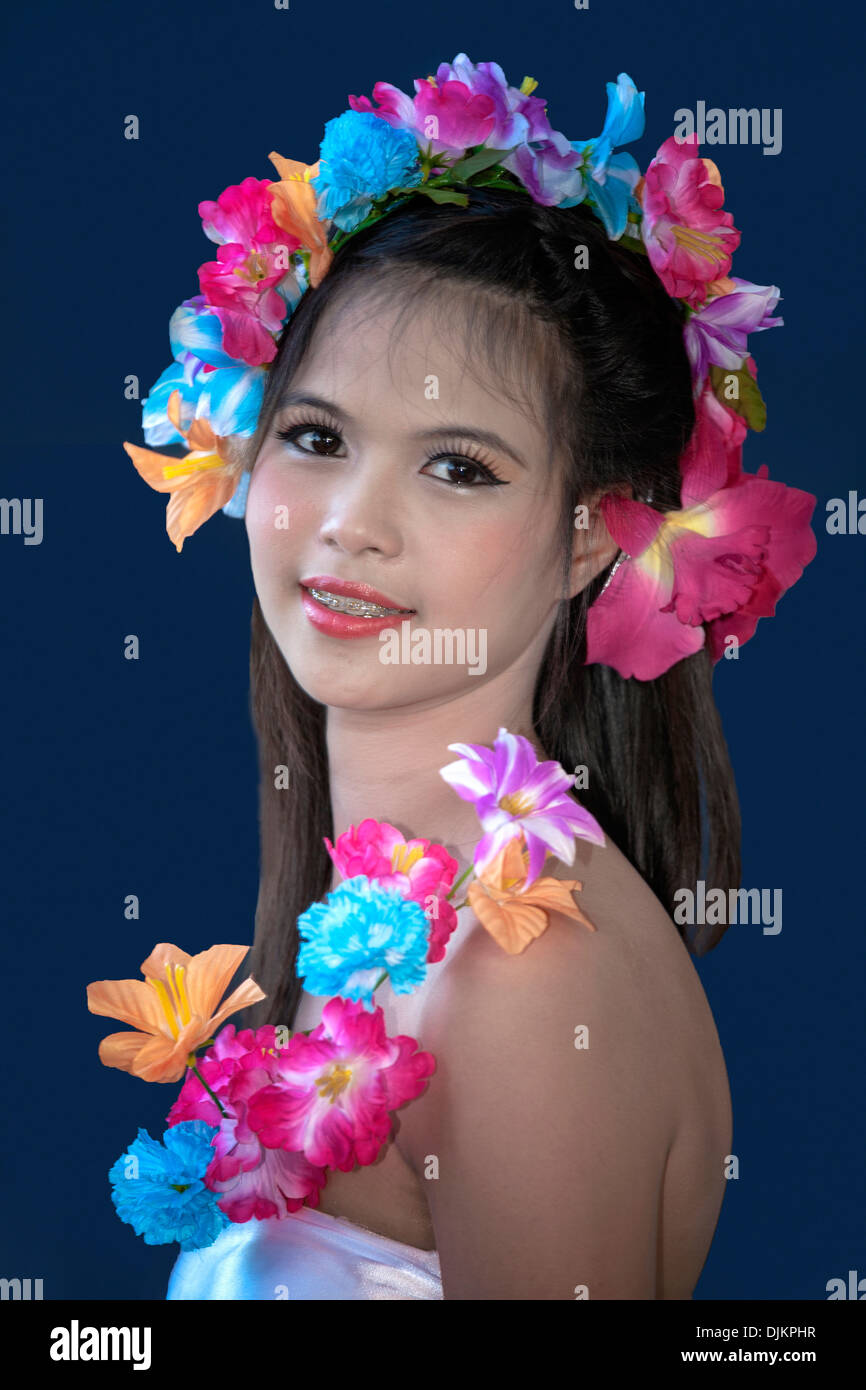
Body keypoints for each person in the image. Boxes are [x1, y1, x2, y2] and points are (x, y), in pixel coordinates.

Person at [120, 58, 816, 1299]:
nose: (349, 523)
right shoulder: (414, 922)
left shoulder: (520, 977)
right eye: (318, 438)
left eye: (459, 467)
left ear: (589, 536)